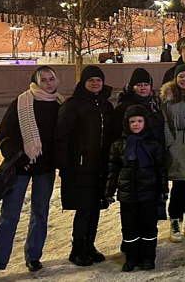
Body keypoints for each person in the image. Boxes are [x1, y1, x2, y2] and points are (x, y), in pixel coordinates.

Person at [0, 67, 64, 280]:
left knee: (40, 212)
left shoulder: (60, 104)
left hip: (45, 168)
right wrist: (21, 159)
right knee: (9, 214)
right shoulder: (22, 102)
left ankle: (33, 256)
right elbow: (5, 134)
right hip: (20, 168)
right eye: (44, 80)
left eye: (51, 79)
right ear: (35, 82)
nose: (49, 83)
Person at [55, 66, 116, 267]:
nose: (95, 83)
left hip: (100, 165)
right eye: (91, 80)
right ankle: (77, 248)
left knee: (95, 206)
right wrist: (64, 164)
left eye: (98, 80)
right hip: (80, 166)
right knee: (84, 208)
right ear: (83, 83)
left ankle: (90, 245)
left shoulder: (106, 105)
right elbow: (61, 136)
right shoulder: (72, 105)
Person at [104, 105, 167, 272]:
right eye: (132, 121)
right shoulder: (118, 145)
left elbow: (160, 168)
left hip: (149, 193)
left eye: (139, 121)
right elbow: (113, 169)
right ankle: (131, 257)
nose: (136, 124)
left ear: (145, 122)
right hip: (127, 195)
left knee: (148, 225)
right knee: (129, 227)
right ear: (126, 123)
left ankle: (148, 257)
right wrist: (109, 191)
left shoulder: (153, 145)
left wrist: (163, 189)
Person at [161, 65, 185, 242]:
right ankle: (175, 220)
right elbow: (164, 121)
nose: (184, 80)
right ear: (175, 79)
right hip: (177, 144)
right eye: (181, 77)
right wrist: (170, 143)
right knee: (179, 186)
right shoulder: (168, 97)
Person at [114, 68, 165, 149]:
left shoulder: (155, 103)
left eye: (146, 84)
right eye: (138, 85)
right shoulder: (124, 106)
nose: (143, 88)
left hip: (155, 148)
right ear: (132, 87)